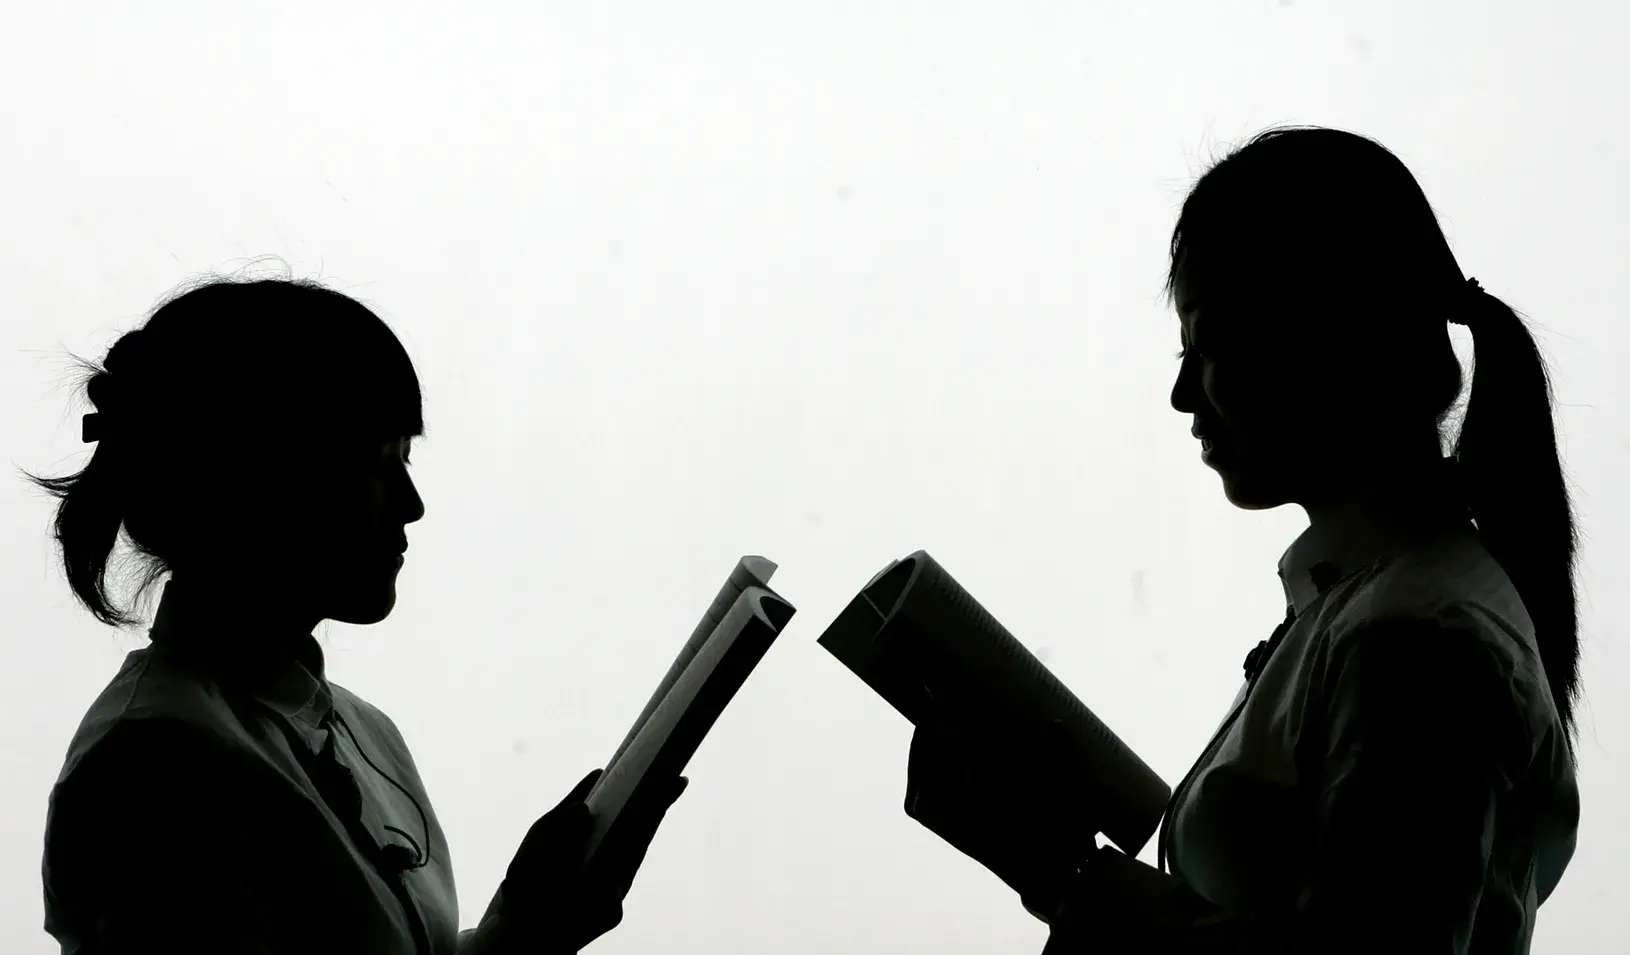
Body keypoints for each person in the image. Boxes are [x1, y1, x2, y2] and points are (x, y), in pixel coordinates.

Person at [902, 127, 1582, 954]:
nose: (1184, 393)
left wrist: (1055, 867)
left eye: (1209, 343)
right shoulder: (1379, 608)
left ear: (1324, 336)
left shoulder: (1414, 635)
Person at [30, 275, 685, 954]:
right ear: (266, 474)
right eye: (381, 461)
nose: (412, 503)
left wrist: (521, 925)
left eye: (407, 457)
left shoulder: (364, 731)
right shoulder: (162, 763)